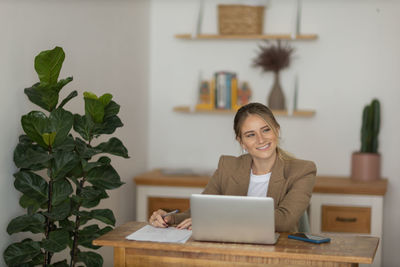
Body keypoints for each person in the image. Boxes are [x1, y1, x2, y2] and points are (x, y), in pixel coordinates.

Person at [149, 102, 316, 232]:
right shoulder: (227, 167)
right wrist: (170, 219)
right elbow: (199, 213)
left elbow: (283, 221)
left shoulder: (302, 171)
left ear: (277, 131)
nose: (261, 139)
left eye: (266, 130)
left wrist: (216, 219)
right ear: (241, 141)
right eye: (250, 134)